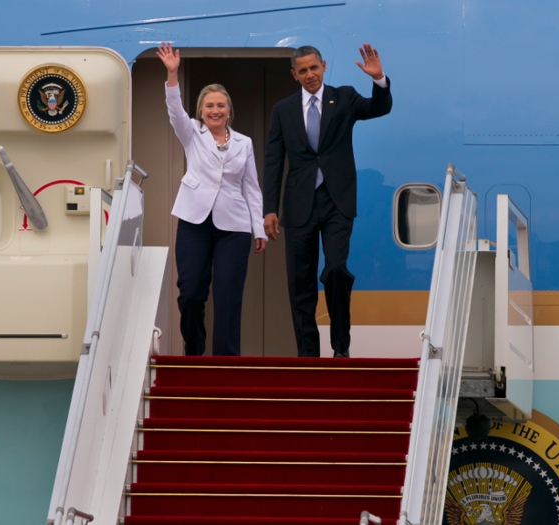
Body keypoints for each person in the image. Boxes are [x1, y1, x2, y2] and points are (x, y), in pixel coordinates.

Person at [263, 44, 392, 358]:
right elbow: (273, 161)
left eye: (314, 68)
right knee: (301, 284)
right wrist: (269, 209)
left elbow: (379, 108)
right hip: (298, 206)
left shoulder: (344, 97)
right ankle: (307, 354)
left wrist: (379, 80)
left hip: (338, 201)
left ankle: (340, 347)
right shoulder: (283, 110)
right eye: (303, 71)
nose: (310, 75)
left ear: (323, 66)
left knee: (335, 269)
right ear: (295, 75)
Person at [156, 42, 267, 356]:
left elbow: (251, 188)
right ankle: (194, 352)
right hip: (194, 223)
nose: (215, 110)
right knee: (190, 294)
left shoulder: (243, 143)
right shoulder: (191, 132)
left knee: (228, 295)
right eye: (209, 106)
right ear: (201, 112)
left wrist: (258, 228)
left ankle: (226, 361)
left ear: (229, 110)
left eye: (220, 105)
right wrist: (172, 74)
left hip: (234, 226)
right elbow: (174, 109)